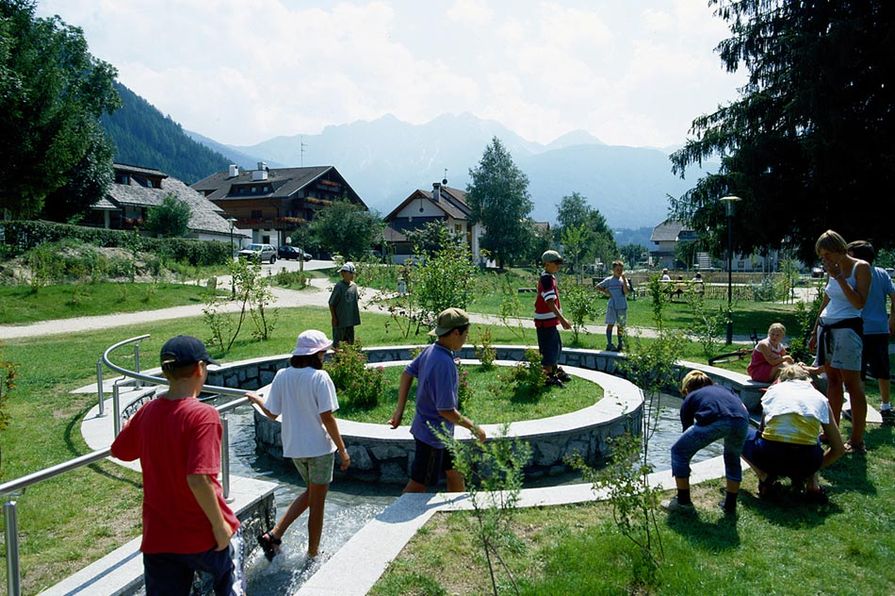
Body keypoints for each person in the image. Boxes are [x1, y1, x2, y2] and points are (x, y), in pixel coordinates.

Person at [111, 336, 240, 596]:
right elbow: (198, 478)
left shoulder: (148, 411)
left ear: (164, 371)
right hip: (205, 533)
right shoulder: (204, 415)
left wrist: (140, 426)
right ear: (200, 368)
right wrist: (219, 526)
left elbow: (121, 450)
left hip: (160, 538)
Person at [246, 330, 350, 560]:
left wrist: (256, 399)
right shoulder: (320, 378)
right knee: (317, 503)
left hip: (295, 448)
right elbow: (327, 417)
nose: (325, 355)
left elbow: (272, 413)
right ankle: (313, 554)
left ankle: (274, 535)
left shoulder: (283, 375)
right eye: (323, 352)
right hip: (319, 449)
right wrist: (342, 450)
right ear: (315, 354)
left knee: (312, 493)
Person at [388, 308, 486, 492]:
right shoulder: (444, 363)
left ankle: (457, 513)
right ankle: (395, 515)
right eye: (466, 333)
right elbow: (445, 410)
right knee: (418, 484)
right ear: (456, 332)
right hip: (433, 436)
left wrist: (399, 410)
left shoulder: (432, 350)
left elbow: (406, 373)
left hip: (435, 431)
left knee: (455, 471)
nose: (467, 338)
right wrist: (474, 428)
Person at [742, 364, 845, 501]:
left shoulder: (773, 391)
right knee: (813, 438)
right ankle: (812, 482)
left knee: (736, 432)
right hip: (807, 460)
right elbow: (839, 449)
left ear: (781, 379)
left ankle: (764, 476)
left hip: (771, 457)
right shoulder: (820, 398)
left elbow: (761, 432)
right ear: (807, 380)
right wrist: (813, 468)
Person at [809, 230, 871, 453]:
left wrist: (840, 277)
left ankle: (857, 440)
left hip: (848, 330)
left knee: (853, 385)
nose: (824, 260)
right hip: (827, 329)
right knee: (832, 381)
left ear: (838, 249)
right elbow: (826, 300)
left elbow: (858, 303)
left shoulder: (860, 267)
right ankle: (830, 432)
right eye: (821, 257)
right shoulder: (830, 270)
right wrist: (815, 330)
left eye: (827, 255)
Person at [661, 370, 750, 514]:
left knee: (678, 452)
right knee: (732, 458)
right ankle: (730, 505)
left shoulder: (690, 398)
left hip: (719, 419)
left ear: (686, 390)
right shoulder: (723, 389)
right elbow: (742, 407)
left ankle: (683, 503)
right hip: (742, 419)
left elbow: (687, 433)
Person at [847, 240, 895, 421]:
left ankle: (858, 407)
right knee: (882, 369)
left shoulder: (855, 275)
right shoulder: (882, 273)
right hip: (879, 328)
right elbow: (893, 295)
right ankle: (885, 406)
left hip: (860, 329)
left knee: (858, 371)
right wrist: (892, 318)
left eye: (850, 254)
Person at [533, 250, 572, 386]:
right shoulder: (546, 279)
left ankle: (554, 369)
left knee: (555, 346)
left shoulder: (550, 278)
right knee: (548, 348)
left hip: (549, 321)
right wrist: (562, 319)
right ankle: (547, 375)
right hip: (544, 321)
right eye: (556, 263)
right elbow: (550, 302)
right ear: (547, 264)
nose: (559, 266)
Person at [596, 260, 629, 352]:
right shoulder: (609, 280)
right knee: (610, 324)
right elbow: (598, 286)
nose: (619, 271)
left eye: (621, 269)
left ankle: (620, 344)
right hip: (612, 305)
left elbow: (626, 292)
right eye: (617, 269)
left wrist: (624, 281)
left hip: (622, 305)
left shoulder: (623, 280)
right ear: (613, 270)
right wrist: (606, 291)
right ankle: (609, 344)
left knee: (620, 326)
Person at [329, 262, 361, 348]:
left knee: (350, 344)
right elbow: (331, 303)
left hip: (350, 321)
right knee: (338, 344)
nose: (342, 274)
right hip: (340, 321)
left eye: (344, 272)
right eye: (342, 272)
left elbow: (355, 300)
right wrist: (334, 318)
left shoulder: (354, 286)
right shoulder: (339, 286)